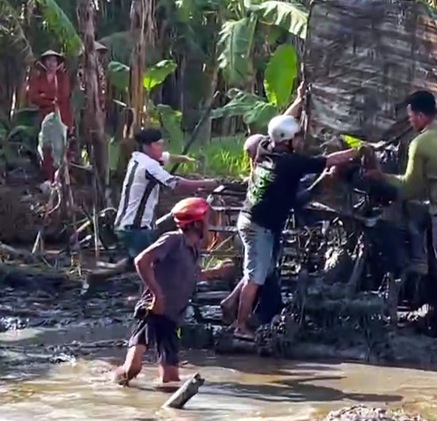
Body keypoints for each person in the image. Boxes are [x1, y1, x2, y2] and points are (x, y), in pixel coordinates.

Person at [224, 114, 361, 340]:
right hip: (260, 226)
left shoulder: (265, 148)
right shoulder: (291, 162)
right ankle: (240, 326)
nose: (300, 141)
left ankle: (230, 303)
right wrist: (358, 152)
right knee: (255, 277)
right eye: (297, 137)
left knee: (261, 269)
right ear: (286, 139)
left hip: (250, 219)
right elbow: (328, 161)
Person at [364, 90, 437, 344]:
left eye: (411, 117)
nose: (410, 122)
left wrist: (382, 177)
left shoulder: (419, 143)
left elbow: (408, 188)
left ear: (420, 115)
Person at [112, 197, 231, 387]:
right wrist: (157, 294)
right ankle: (110, 381)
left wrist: (215, 273)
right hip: (152, 311)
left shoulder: (194, 248)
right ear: (196, 224)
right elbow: (141, 261)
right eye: (207, 221)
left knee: (170, 380)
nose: (209, 226)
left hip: (172, 316)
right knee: (132, 369)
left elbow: (190, 274)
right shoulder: (173, 240)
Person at [114, 128, 218, 262]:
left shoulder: (138, 158)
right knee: (149, 266)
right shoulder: (149, 166)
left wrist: (185, 159)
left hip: (128, 225)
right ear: (152, 145)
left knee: (138, 264)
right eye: (160, 144)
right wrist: (209, 183)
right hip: (136, 229)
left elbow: (166, 156)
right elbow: (176, 184)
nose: (162, 148)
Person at [27, 50, 75, 183]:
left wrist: (44, 97)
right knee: (46, 146)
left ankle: (62, 177)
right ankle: (49, 177)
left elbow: (63, 95)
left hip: (62, 116)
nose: (51, 64)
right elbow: (33, 97)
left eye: (54, 60)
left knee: (62, 146)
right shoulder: (39, 79)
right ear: (44, 63)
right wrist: (49, 100)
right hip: (45, 117)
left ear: (57, 63)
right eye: (48, 60)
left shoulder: (62, 78)